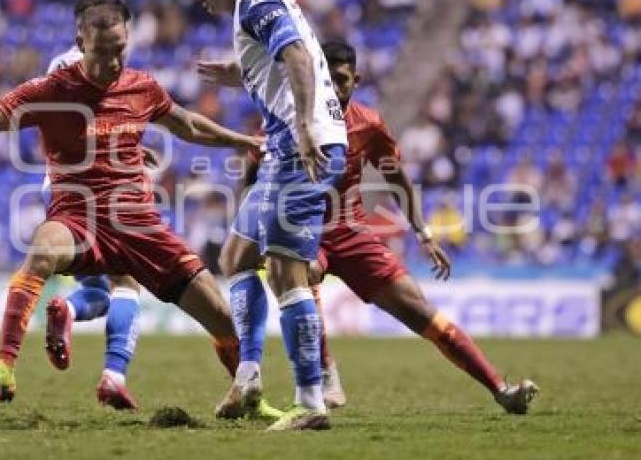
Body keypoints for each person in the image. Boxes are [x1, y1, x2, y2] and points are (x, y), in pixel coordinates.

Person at [0, 0, 254, 409]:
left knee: (223, 320)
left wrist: (242, 140)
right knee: (42, 251)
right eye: (103, 52)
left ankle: (247, 396)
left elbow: (188, 125)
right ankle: (4, 368)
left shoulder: (142, 87)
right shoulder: (51, 91)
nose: (114, 62)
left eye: (120, 50)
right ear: (80, 45)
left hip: (139, 224)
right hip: (78, 218)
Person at [203, 40, 540, 415]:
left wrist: (423, 234)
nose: (333, 87)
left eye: (342, 80)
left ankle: (501, 389)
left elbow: (397, 179)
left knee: (418, 309)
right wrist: (253, 219)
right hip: (301, 226)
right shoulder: (289, 117)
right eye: (325, 79)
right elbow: (253, 172)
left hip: (351, 230)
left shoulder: (369, 124)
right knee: (304, 272)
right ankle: (326, 375)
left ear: (356, 80)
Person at [183, 0, 348, 431]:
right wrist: (238, 72)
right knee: (235, 256)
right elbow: (277, 60)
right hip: (284, 151)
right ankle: (249, 377)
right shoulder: (256, 8)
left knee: (284, 272)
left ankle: (310, 401)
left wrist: (301, 125)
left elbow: (296, 55)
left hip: (302, 147)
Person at [41, 45, 144, 410]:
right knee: (127, 284)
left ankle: (67, 310)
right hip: (102, 188)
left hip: (55, 190)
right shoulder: (96, 68)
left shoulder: (57, 66)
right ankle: (114, 376)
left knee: (99, 296)